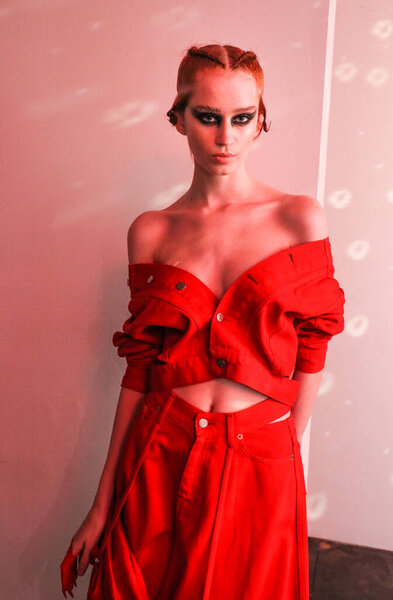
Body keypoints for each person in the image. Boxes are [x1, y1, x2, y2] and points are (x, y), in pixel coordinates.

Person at [60, 44, 345, 599]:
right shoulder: (151, 231)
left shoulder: (299, 217)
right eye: (208, 117)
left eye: (242, 119)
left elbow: (313, 352)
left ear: (261, 120)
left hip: (262, 460)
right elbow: (139, 374)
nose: (226, 137)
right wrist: (101, 505)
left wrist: (282, 452)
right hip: (158, 453)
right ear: (178, 118)